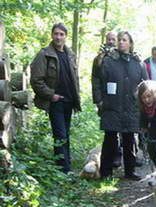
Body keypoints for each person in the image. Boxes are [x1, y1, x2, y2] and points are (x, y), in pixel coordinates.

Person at [92, 30, 148, 180]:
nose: (121, 42)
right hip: (111, 105)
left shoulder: (138, 63)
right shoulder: (107, 60)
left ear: (130, 43)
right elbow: (96, 79)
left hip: (131, 106)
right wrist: (99, 100)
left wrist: (144, 105)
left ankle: (130, 171)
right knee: (110, 139)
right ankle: (106, 172)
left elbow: (145, 85)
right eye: (119, 40)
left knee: (130, 139)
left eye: (124, 40)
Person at [30, 23, 81, 174]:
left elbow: (75, 79)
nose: (58, 37)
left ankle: (66, 166)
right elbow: (36, 80)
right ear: (52, 35)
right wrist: (51, 95)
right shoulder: (44, 54)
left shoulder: (70, 54)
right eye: (56, 34)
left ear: (66, 36)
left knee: (66, 135)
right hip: (55, 102)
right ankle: (63, 171)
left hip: (69, 101)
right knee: (60, 135)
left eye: (61, 34)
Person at [92, 31, 123, 168]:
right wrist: (98, 100)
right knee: (110, 132)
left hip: (122, 99)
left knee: (125, 131)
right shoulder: (99, 58)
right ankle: (109, 161)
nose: (111, 41)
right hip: (106, 99)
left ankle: (123, 157)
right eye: (109, 39)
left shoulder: (122, 55)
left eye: (113, 39)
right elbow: (95, 80)